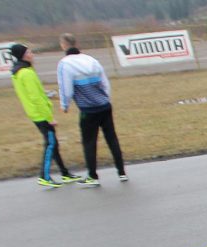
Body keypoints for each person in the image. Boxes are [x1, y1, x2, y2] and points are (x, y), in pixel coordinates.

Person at [56, 33, 127, 188]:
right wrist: (105, 99)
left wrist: (65, 104)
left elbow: (66, 88)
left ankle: (92, 175)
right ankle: (121, 172)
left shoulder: (65, 64)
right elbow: (105, 83)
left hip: (88, 110)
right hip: (104, 106)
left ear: (63, 45)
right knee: (112, 139)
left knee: (89, 142)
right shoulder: (91, 60)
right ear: (76, 43)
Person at [9, 44, 81, 188]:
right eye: (29, 52)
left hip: (35, 113)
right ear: (23, 55)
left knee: (53, 143)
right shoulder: (26, 73)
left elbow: (36, 93)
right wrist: (49, 118)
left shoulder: (18, 72)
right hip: (40, 115)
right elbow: (36, 98)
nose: (32, 54)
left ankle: (64, 173)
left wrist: (49, 95)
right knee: (50, 144)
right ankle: (44, 176)